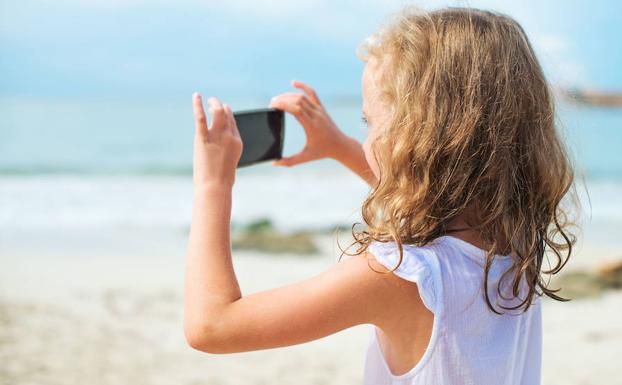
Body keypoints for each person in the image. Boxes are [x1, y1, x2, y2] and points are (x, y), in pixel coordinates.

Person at [184, 5, 577, 384]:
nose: (366, 136)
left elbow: (212, 326)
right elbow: (439, 193)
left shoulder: (403, 275)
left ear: (419, 135)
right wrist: (338, 145)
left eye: (369, 122)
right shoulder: (517, 238)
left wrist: (212, 185)